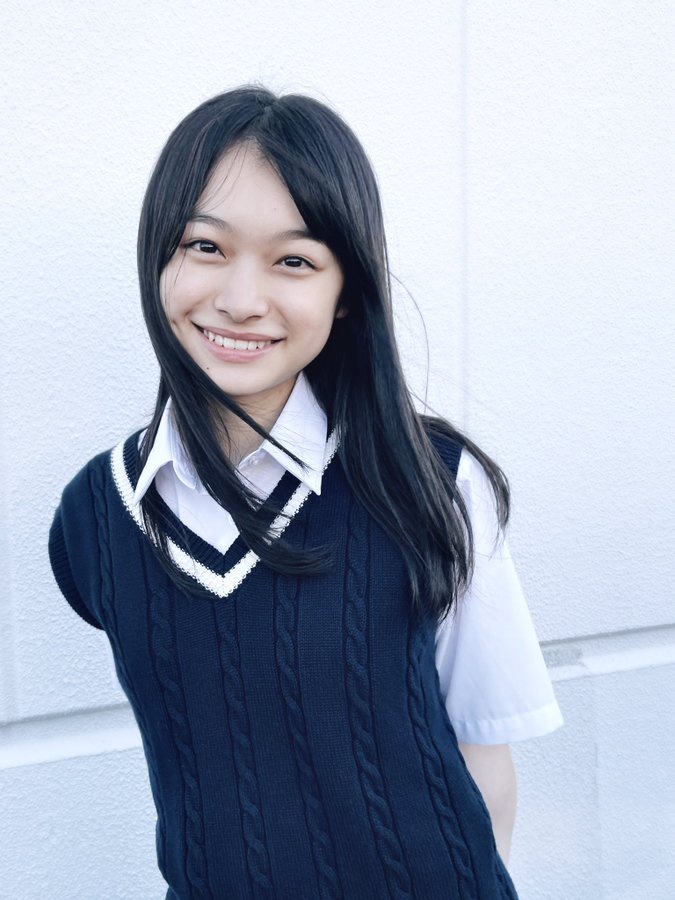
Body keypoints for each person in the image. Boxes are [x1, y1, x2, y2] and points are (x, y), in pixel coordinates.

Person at [48, 85, 563, 899]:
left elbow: (482, 758)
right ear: (159, 257)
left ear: (345, 289)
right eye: (205, 246)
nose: (240, 300)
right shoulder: (94, 516)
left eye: (293, 261)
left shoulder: (432, 482)